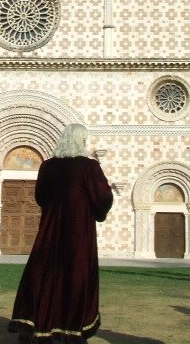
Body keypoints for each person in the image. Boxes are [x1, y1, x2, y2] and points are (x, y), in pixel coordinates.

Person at [8, 123, 114, 343]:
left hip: (50, 231)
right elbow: (103, 197)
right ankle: (70, 329)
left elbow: (40, 197)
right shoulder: (89, 167)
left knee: (43, 274)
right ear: (80, 142)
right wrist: (95, 209)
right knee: (75, 277)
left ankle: (37, 324)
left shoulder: (48, 166)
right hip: (77, 235)